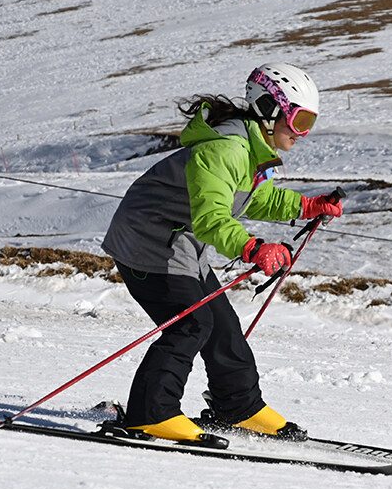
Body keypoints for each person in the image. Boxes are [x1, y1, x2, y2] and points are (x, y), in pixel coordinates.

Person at [101, 63, 343, 442]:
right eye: (300, 119)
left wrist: (307, 207)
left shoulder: (249, 150)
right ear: (268, 108)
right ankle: (151, 414)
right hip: (147, 243)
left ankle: (239, 406)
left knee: (223, 326)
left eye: (311, 121)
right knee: (191, 324)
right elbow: (213, 218)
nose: (304, 132)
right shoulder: (225, 150)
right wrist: (253, 247)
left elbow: (256, 200)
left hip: (180, 245)